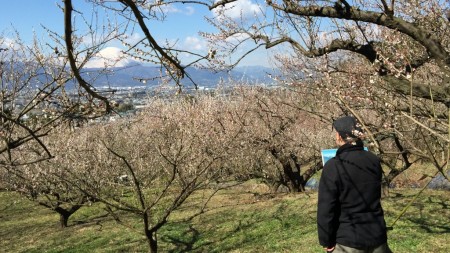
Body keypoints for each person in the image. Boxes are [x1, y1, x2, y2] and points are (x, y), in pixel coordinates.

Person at [317, 116, 391, 253]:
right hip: (377, 234)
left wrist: (326, 240)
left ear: (340, 136)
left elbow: (326, 208)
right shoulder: (373, 160)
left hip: (348, 239)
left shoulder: (334, 166)